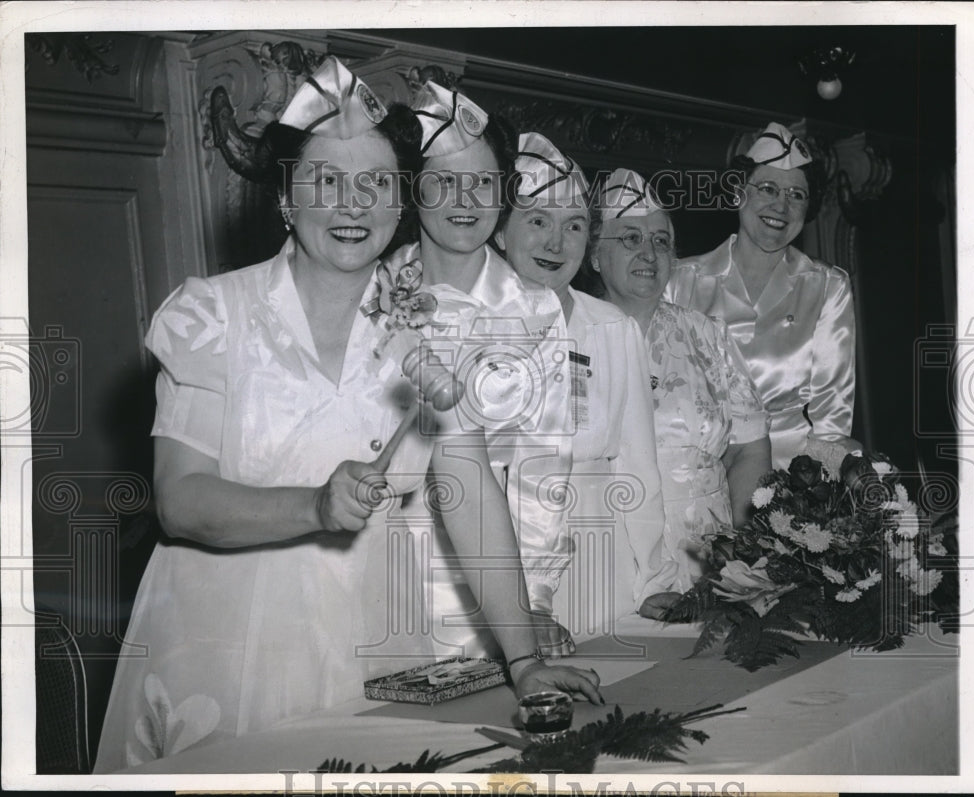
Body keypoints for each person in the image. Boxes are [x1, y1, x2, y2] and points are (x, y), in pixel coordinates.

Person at [94, 59, 600, 773]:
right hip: (218, 645)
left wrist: (524, 661)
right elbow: (180, 500)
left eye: (375, 183)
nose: (353, 204)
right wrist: (317, 505)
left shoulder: (427, 333)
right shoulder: (212, 314)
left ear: (400, 203)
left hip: (371, 640)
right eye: (327, 181)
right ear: (286, 200)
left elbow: (471, 490)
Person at [386, 83, 577, 658]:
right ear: (411, 189)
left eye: (483, 182)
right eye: (443, 181)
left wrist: (534, 602)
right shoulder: (372, 293)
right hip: (381, 562)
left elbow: (545, 465)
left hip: (492, 575)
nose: (465, 199)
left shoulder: (538, 308)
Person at [493, 133, 679, 634]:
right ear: (499, 232)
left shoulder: (614, 329)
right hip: (497, 569)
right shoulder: (467, 328)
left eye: (573, 226)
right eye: (537, 222)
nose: (556, 243)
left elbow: (638, 468)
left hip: (600, 564)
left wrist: (654, 579)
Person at [581, 169, 771, 594]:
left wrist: (742, 552)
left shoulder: (708, 336)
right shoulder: (572, 339)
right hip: (608, 565)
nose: (648, 253)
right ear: (594, 255)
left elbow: (749, 450)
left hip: (708, 563)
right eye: (630, 238)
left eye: (660, 241)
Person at [667, 122, 856, 469]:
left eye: (796, 195)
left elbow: (831, 420)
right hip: (698, 473)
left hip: (793, 479)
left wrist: (810, 505)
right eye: (768, 189)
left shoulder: (827, 287)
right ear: (739, 193)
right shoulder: (680, 280)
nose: (781, 207)